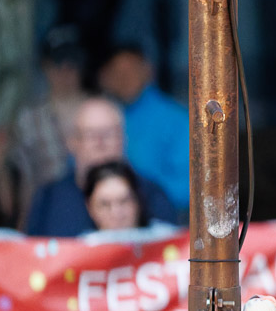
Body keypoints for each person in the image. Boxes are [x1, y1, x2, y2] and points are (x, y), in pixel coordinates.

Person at [24, 98, 176, 237]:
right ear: (72, 142)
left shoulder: (151, 194)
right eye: (90, 135)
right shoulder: (48, 198)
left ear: (123, 138)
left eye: (108, 133)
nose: (100, 143)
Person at [97, 44, 191, 211]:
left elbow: (187, 187)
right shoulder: (101, 117)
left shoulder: (176, 119)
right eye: (117, 72)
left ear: (148, 71)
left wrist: (139, 196)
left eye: (131, 70)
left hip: (162, 217)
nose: (124, 78)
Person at [10, 25, 90, 217]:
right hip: (47, 214)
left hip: (98, 211)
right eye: (57, 62)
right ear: (45, 66)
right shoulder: (28, 118)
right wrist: (25, 223)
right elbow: (27, 179)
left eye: (72, 61)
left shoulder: (103, 110)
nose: (65, 69)